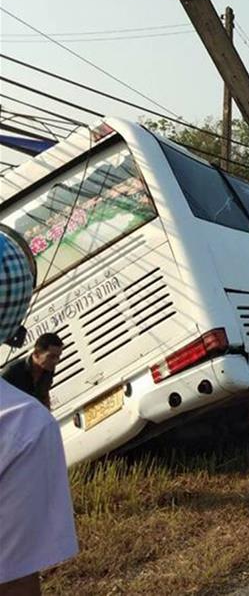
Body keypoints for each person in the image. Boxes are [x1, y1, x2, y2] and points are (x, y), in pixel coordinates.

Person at [0, 228, 78, 595]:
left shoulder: (31, 408)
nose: (52, 363)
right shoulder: (21, 419)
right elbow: (15, 577)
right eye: (50, 357)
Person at [1, 333, 64, 408]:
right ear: (36, 354)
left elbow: (44, 395)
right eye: (51, 357)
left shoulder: (48, 369)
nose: (56, 361)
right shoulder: (12, 371)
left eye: (58, 357)